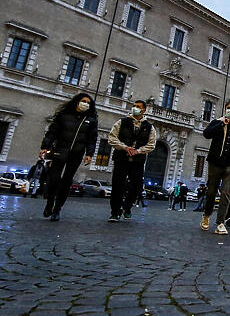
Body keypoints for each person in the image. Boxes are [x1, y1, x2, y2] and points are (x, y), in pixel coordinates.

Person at [39, 93, 98, 221]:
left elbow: (92, 139)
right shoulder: (63, 116)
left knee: (66, 181)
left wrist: (89, 154)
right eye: (83, 101)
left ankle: (57, 208)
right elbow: (52, 132)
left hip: (76, 153)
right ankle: (49, 203)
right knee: (54, 179)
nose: (85, 104)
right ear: (77, 102)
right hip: (60, 150)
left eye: (88, 103)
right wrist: (45, 146)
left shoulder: (91, 121)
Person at [201, 99, 230, 235]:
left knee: (226, 194)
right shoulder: (218, 122)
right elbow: (206, 134)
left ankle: (220, 222)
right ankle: (206, 215)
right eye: (228, 108)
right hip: (215, 162)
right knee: (211, 191)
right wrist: (222, 123)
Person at [107, 99, 156, 221]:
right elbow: (111, 138)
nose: (135, 108)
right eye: (134, 106)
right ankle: (115, 212)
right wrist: (125, 147)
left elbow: (152, 145)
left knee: (136, 186)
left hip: (137, 161)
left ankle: (127, 207)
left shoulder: (149, 127)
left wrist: (138, 151)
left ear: (144, 110)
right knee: (117, 185)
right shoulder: (121, 122)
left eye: (138, 106)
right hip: (121, 158)